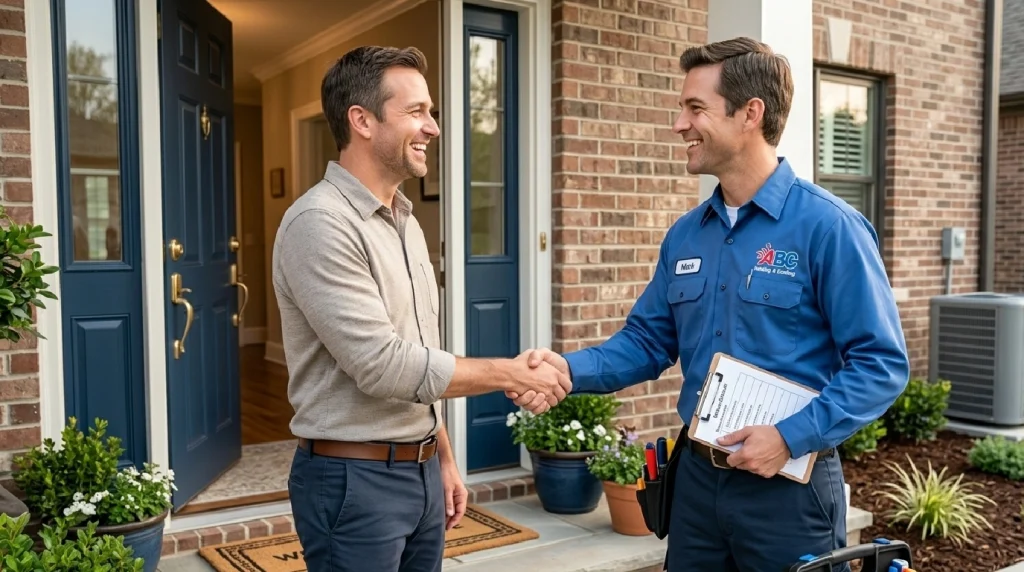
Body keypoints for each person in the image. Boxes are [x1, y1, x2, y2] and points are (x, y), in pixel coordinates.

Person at [516, 37, 910, 571]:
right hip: (697, 487)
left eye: (695, 108)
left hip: (787, 492)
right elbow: (648, 341)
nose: (680, 124)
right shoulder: (685, 236)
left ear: (751, 114)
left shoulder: (829, 228)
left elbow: (881, 364)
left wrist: (790, 437)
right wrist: (566, 368)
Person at [271, 45, 570, 572]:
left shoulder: (405, 221)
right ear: (361, 121)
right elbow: (382, 365)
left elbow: (422, 354)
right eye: (416, 112)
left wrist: (444, 459)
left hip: (421, 471)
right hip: (352, 483)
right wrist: (509, 373)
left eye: (429, 112)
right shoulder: (318, 224)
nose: (432, 127)